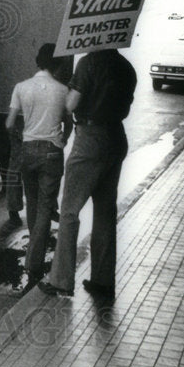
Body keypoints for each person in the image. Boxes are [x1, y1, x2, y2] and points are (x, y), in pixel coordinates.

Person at [41, 48, 137, 300]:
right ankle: (103, 281)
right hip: (116, 138)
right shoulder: (126, 67)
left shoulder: (89, 63)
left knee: (70, 211)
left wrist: (67, 96)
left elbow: (72, 104)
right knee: (105, 211)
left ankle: (61, 281)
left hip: (90, 140)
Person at [5, 44, 73, 290]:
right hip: (52, 153)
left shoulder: (21, 88)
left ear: (38, 62)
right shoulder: (63, 90)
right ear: (56, 65)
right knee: (46, 205)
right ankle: (33, 262)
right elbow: (69, 122)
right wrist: (63, 140)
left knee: (32, 202)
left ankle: (34, 249)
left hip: (28, 150)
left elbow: (10, 122)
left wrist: (22, 137)